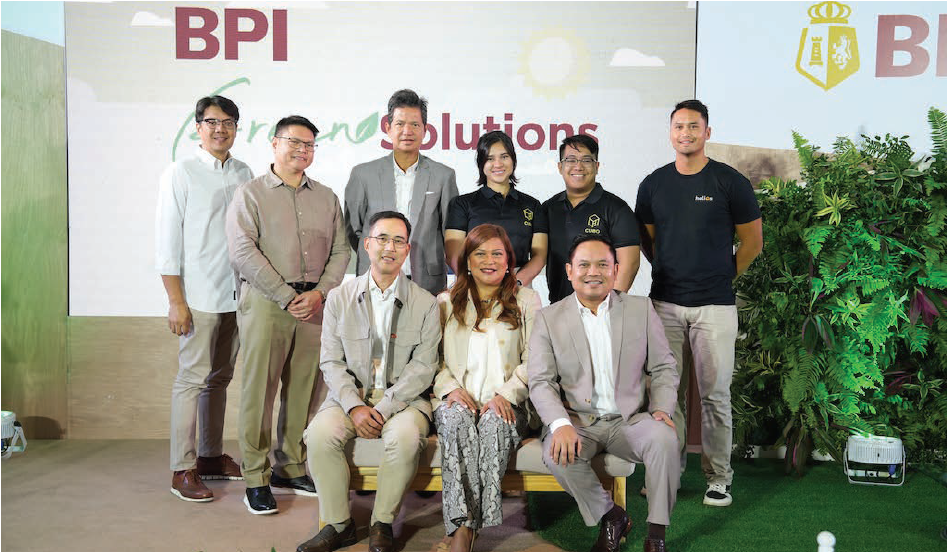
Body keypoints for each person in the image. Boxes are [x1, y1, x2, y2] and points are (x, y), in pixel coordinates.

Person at [635, 99, 763, 508]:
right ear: (670, 132)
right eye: (679, 126)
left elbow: (752, 243)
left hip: (716, 308)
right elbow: (649, 240)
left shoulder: (730, 182)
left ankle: (719, 478)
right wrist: (675, 273)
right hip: (666, 305)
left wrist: (722, 277)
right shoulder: (653, 184)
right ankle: (666, 472)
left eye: (694, 126)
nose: (685, 133)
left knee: (714, 395)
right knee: (665, 395)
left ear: (707, 132)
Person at [226, 115, 350, 515]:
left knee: (304, 391)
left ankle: (291, 465)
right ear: (274, 143)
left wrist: (319, 294)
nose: (302, 150)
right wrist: (283, 295)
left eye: (310, 145)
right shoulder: (251, 194)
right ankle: (256, 478)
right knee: (258, 394)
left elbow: (342, 251)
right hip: (266, 305)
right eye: (294, 142)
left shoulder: (327, 197)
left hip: (315, 306)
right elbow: (242, 252)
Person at [298, 211, 441, 552]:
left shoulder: (426, 302)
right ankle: (339, 524)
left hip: (405, 400)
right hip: (351, 397)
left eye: (398, 241)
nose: (389, 248)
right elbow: (331, 361)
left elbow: (423, 367)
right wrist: (355, 405)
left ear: (407, 250)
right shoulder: (339, 298)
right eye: (382, 239)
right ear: (367, 245)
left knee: (405, 437)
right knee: (319, 435)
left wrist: (386, 406)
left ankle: (382, 523)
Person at [528, 236, 680, 553]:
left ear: (616, 270)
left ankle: (656, 536)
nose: (593, 272)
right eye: (584, 264)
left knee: (664, 437)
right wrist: (559, 424)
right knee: (557, 453)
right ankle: (612, 517)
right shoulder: (548, 318)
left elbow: (664, 366)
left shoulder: (641, 309)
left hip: (630, 420)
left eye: (602, 264)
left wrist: (663, 408)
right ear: (569, 271)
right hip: (578, 422)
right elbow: (540, 381)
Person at [156, 95, 252, 502]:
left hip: (238, 295)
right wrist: (176, 300)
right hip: (197, 295)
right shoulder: (181, 172)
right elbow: (167, 242)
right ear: (198, 127)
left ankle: (211, 456)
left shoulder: (244, 171)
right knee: (191, 380)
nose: (220, 129)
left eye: (228, 122)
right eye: (212, 122)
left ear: (235, 127)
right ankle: (183, 467)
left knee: (220, 379)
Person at [433, 224, 541, 551]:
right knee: (455, 422)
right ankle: (466, 530)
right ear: (466, 261)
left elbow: (535, 359)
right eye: (480, 253)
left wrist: (505, 395)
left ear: (509, 261)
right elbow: (431, 359)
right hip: (458, 399)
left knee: (495, 423)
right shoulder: (445, 303)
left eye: (498, 253)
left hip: (509, 403)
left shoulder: (527, 300)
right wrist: (450, 388)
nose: (489, 260)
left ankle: (463, 530)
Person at [344, 89, 459, 296]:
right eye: (400, 124)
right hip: (374, 279)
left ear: (425, 130)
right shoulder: (363, 175)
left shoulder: (444, 176)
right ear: (388, 128)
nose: (407, 131)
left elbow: (449, 233)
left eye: (415, 124)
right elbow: (353, 231)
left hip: (426, 283)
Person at [542, 134, 641, 303]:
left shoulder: (616, 208)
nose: (578, 166)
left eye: (586, 160)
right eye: (571, 160)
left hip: (601, 309)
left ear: (596, 166)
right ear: (560, 167)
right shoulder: (548, 208)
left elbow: (629, 264)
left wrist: (608, 307)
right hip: (558, 308)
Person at [444, 131, 548, 288]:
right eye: (490, 159)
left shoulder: (532, 205)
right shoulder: (462, 204)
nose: (498, 164)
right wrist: (474, 282)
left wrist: (516, 283)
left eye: (504, 157)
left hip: (518, 286)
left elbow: (539, 255)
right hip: (473, 284)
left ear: (513, 160)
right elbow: (453, 253)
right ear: (481, 164)